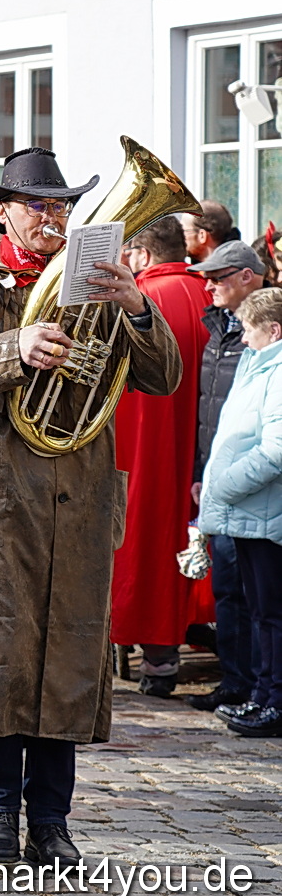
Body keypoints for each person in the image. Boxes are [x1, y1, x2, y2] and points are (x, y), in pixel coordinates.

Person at [0, 147, 180, 868]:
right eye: (38, 205)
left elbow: (163, 378)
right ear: (3, 210)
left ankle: (53, 819)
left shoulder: (94, 283)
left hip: (78, 499)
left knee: (65, 658)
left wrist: (136, 305)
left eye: (62, 207)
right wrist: (14, 346)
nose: (52, 218)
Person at [111, 216, 213, 697]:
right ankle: (170, 653)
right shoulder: (208, 291)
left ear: (144, 257)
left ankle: (155, 653)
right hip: (201, 448)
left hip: (146, 441)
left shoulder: (144, 300)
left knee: (145, 537)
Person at [186, 240, 269, 713]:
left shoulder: (265, 330)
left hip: (254, 482)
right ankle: (235, 681)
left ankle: (262, 688)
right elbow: (210, 411)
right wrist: (203, 471)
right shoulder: (219, 328)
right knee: (228, 589)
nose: (209, 285)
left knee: (259, 595)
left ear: (246, 277)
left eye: (219, 277)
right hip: (220, 477)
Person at [197, 288, 282, 736]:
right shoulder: (261, 364)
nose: (243, 339)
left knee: (271, 613)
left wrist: (224, 487)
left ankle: (275, 700)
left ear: (274, 330)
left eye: (249, 330)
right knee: (261, 611)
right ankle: (264, 695)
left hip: (264, 513)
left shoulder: (277, 370)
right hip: (253, 512)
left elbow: (275, 450)